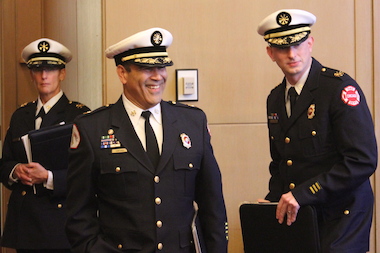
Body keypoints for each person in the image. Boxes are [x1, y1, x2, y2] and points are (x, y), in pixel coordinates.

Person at [65, 27, 228, 253]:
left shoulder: (192, 122)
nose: (157, 76)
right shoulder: (92, 128)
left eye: (161, 67)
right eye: (145, 68)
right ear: (122, 73)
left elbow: (213, 207)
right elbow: (78, 213)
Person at [257, 9, 377, 253]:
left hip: (342, 215)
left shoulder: (338, 89)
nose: (292, 54)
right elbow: (282, 162)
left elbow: (362, 160)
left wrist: (302, 194)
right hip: (304, 214)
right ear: (271, 53)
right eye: (282, 48)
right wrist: (272, 201)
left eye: (299, 44)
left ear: (310, 44)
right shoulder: (275, 99)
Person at [0, 38, 90, 253]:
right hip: (25, 221)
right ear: (31, 74)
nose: (44, 75)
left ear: (62, 73)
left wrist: (49, 177)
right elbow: (4, 163)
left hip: (60, 222)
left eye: (51, 69)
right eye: (38, 69)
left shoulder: (79, 115)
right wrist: (15, 170)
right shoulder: (21, 115)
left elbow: (86, 174)